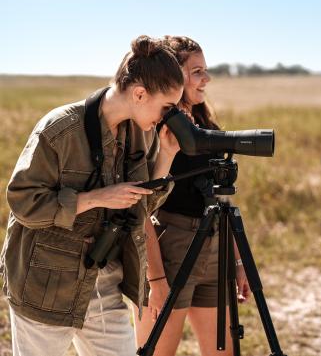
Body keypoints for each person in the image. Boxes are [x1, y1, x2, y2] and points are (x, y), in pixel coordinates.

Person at [0, 35, 184, 356]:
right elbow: (22, 202)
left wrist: (166, 155)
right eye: (167, 106)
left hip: (103, 285)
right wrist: (97, 198)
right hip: (44, 286)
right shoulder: (60, 129)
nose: (168, 116)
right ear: (140, 94)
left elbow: (139, 206)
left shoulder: (140, 133)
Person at [133, 36, 249, 356]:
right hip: (170, 246)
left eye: (206, 70)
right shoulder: (151, 127)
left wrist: (238, 261)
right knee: (157, 350)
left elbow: (220, 197)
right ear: (172, 75)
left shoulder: (204, 121)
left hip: (214, 245)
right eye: (197, 71)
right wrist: (155, 279)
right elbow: (140, 211)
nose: (206, 79)